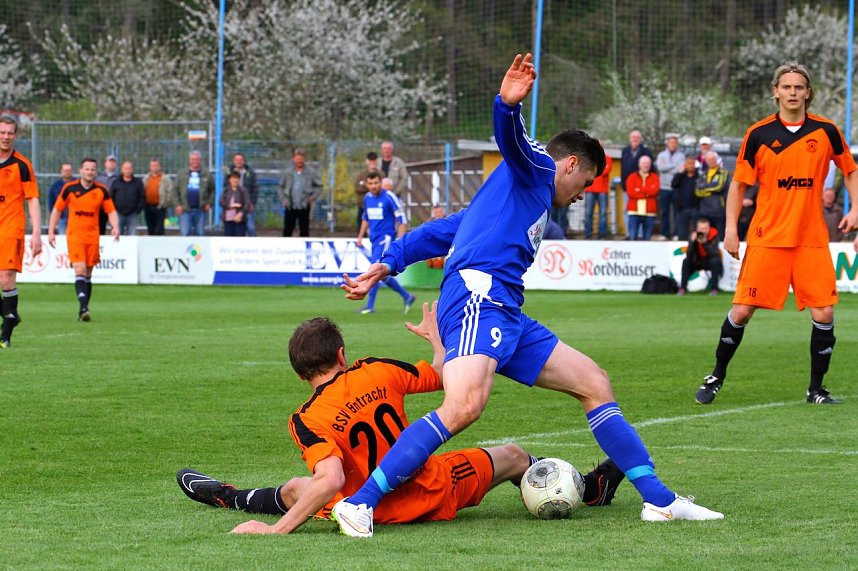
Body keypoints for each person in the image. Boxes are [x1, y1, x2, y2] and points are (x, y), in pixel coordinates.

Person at [335, 53, 723, 537]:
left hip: (506, 310)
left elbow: (442, 231)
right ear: (572, 164)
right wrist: (507, 105)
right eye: (585, 183)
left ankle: (660, 501)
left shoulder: (514, 198)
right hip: (479, 296)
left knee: (594, 382)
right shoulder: (538, 166)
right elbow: (514, 142)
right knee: (463, 407)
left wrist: (387, 263)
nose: (583, 194)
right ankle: (361, 503)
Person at [175, 306, 625, 535]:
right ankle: (589, 489)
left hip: (369, 510)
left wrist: (275, 531)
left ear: (299, 374)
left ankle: (231, 499)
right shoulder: (376, 370)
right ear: (341, 355)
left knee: (299, 488)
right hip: (435, 488)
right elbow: (442, 376)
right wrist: (436, 339)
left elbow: (329, 481)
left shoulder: (306, 418)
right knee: (512, 456)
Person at [695, 61, 858, 407]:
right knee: (741, 311)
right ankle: (716, 376)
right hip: (767, 237)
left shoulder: (826, 131)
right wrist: (730, 230)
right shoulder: (759, 134)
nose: (793, 92)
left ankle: (816, 389)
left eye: (799, 87)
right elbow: (738, 186)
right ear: (776, 91)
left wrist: (856, 209)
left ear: (808, 93)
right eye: (787, 87)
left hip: (810, 238)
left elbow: (851, 171)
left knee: (824, 314)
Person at [47, 157, 119, 322]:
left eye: (92, 169)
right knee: (79, 270)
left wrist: (115, 226)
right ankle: (84, 307)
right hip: (75, 235)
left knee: (88, 274)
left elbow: (111, 211)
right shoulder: (69, 188)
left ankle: (82, 309)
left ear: (95, 171)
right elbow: (57, 209)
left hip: (93, 236)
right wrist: (51, 230)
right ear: (81, 170)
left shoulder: (102, 190)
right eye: (87, 169)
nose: (90, 172)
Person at [0, 115, 42, 349]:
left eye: (9, 133)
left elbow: (33, 199)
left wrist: (36, 233)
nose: (5, 137)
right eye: (2, 132)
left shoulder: (22, 165)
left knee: (6, 279)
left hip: (10, 227)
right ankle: (11, 314)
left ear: (15, 135)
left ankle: (5, 335)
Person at [356, 172, 416, 315]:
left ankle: (370, 306)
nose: (373, 186)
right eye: (370, 184)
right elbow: (365, 218)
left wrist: (400, 242)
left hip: (386, 239)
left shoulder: (389, 197)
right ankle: (407, 296)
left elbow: (402, 219)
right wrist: (360, 236)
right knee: (382, 275)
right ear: (367, 184)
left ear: (380, 182)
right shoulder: (367, 198)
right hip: (374, 240)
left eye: (376, 183)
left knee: (374, 270)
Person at [279, 149, 322, 238]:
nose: (299, 161)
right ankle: (285, 248)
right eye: (297, 159)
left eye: (301, 159)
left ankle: (305, 249)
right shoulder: (287, 172)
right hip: (290, 205)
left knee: (304, 229)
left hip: (304, 204)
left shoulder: (311, 172)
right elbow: (281, 186)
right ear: (293, 159)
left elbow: (319, 186)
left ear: (304, 159)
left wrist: (313, 197)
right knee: (288, 229)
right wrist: (283, 199)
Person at [620, 130, 653, 239]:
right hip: (627, 187)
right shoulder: (625, 151)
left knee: (640, 212)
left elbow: (651, 170)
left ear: (641, 139)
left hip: (642, 187)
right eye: (633, 137)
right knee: (627, 211)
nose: (635, 139)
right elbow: (622, 168)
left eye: (637, 137)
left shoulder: (646, 151)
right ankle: (629, 234)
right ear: (630, 139)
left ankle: (638, 235)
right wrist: (623, 183)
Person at [677, 218, 723, 296]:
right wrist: (692, 242)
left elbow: (715, 254)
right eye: (701, 229)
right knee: (686, 261)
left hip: (709, 261)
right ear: (697, 229)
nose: (703, 231)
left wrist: (705, 244)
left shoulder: (714, 235)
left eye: (705, 229)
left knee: (715, 261)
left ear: (709, 228)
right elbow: (689, 255)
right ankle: (682, 288)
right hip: (697, 261)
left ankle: (714, 289)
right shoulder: (693, 235)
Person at [174, 151, 215, 237]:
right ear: (189, 160)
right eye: (192, 159)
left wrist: (209, 203)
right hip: (185, 210)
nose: (195, 161)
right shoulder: (182, 173)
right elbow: (175, 190)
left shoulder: (207, 174)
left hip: (201, 209)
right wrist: (178, 205)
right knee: (185, 233)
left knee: (200, 233)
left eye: (197, 159)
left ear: (200, 160)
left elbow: (212, 190)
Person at [656, 134, 685, 239]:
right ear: (667, 143)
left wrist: (667, 166)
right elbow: (660, 167)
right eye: (671, 142)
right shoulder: (661, 155)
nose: (673, 144)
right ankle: (665, 233)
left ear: (677, 144)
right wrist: (674, 166)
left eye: (674, 143)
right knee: (664, 212)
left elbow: (681, 169)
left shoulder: (681, 155)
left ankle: (676, 233)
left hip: (676, 187)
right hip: (664, 187)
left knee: (676, 212)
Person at [695, 151, 729, 239]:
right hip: (704, 209)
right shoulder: (703, 174)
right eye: (709, 159)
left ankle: (719, 252)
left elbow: (719, 186)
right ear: (706, 161)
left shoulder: (723, 172)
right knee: (702, 234)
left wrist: (705, 190)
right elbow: (697, 191)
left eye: (713, 159)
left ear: (717, 159)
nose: (711, 161)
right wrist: (709, 190)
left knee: (719, 235)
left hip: (718, 209)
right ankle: (701, 251)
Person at [625, 155, 659, 240]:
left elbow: (654, 192)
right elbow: (631, 193)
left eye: (648, 163)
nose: (646, 165)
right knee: (632, 238)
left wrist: (639, 190)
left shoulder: (655, 177)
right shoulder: (631, 177)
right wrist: (647, 192)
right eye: (644, 163)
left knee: (647, 239)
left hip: (649, 212)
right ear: (639, 164)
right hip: (634, 212)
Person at [583, 142, 612, 239]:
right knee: (588, 213)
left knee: (603, 213)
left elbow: (605, 171)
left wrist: (593, 170)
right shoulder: (588, 159)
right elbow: (586, 171)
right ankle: (588, 234)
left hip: (602, 190)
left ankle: (602, 235)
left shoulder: (608, 158)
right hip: (590, 189)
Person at [109, 160, 145, 236]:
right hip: (118, 214)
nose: (127, 171)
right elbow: (111, 197)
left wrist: (138, 210)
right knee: (117, 236)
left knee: (132, 236)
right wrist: (114, 210)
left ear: (132, 169)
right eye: (125, 169)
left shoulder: (138, 183)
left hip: (133, 214)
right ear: (122, 169)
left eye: (129, 168)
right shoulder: (116, 182)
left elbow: (142, 197)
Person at [229, 153, 259, 237]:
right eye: (237, 160)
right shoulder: (229, 173)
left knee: (251, 228)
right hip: (233, 206)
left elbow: (255, 189)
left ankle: (253, 248)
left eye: (240, 160)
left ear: (244, 161)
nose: (239, 162)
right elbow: (226, 189)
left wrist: (252, 203)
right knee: (235, 229)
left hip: (247, 205)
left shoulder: (250, 173)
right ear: (234, 161)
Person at [142, 158, 172, 236]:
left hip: (160, 207)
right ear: (150, 167)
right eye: (152, 165)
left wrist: (166, 203)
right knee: (150, 228)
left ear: (159, 166)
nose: (154, 167)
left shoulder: (165, 179)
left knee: (159, 229)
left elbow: (170, 192)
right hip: (148, 207)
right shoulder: (145, 179)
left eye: (156, 165)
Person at [672, 157, 699, 241]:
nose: (690, 165)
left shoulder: (699, 177)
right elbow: (674, 184)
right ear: (685, 165)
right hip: (682, 209)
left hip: (695, 208)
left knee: (696, 232)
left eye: (692, 163)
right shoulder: (680, 176)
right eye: (688, 163)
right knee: (682, 233)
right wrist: (680, 172)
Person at [354, 152, 381, 231]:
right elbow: (357, 188)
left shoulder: (381, 174)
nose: (372, 162)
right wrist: (372, 187)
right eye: (370, 160)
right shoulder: (360, 174)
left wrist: (365, 185)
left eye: (374, 160)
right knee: (361, 224)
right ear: (367, 161)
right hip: (363, 205)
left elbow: (383, 188)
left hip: (378, 206)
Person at [220, 170, 251, 237]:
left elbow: (247, 203)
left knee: (239, 238)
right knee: (228, 238)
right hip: (228, 219)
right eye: (233, 178)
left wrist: (241, 213)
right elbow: (221, 202)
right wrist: (230, 205)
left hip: (240, 219)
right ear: (229, 180)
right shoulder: (226, 191)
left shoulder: (243, 191)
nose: (235, 180)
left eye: (237, 178)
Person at [47, 163, 73, 235]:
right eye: (65, 170)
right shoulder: (55, 186)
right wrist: (54, 216)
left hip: (75, 218)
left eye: (69, 170)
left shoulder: (77, 184)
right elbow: (51, 202)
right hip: (61, 217)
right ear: (61, 172)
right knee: (63, 238)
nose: (67, 172)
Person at [95, 154, 118, 235]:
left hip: (113, 207)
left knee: (114, 227)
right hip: (100, 207)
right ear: (105, 163)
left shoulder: (118, 178)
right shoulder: (98, 177)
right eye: (110, 161)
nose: (111, 164)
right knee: (100, 227)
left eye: (113, 162)